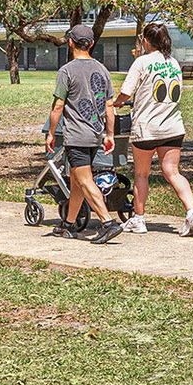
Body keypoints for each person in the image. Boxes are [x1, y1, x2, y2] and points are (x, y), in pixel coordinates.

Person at [114, 21, 193, 237]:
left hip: (147, 128)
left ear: (146, 41)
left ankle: (139, 218)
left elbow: (126, 92)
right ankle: (192, 212)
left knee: (141, 173)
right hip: (173, 126)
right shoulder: (173, 63)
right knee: (172, 171)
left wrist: (116, 102)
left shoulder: (142, 62)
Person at [45, 23, 124, 244]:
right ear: (91, 43)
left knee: (85, 180)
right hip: (95, 135)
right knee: (77, 180)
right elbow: (109, 106)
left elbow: (58, 106)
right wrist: (110, 135)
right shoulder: (103, 70)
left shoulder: (66, 71)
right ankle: (69, 224)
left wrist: (51, 133)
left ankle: (108, 223)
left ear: (70, 42)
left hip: (76, 136)